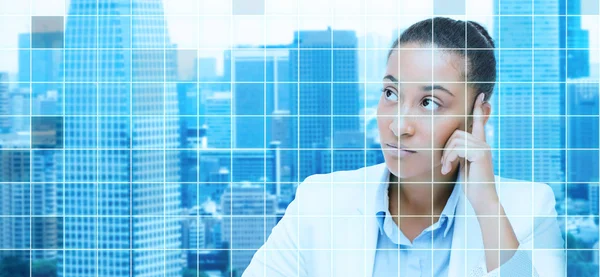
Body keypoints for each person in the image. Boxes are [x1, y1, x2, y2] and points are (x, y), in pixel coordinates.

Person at [242, 17, 565, 277]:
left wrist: (486, 205)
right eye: (391, 94)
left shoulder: (528, 208)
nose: (399, 126)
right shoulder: (321, 201)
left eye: (429, 102)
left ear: (476, 116)